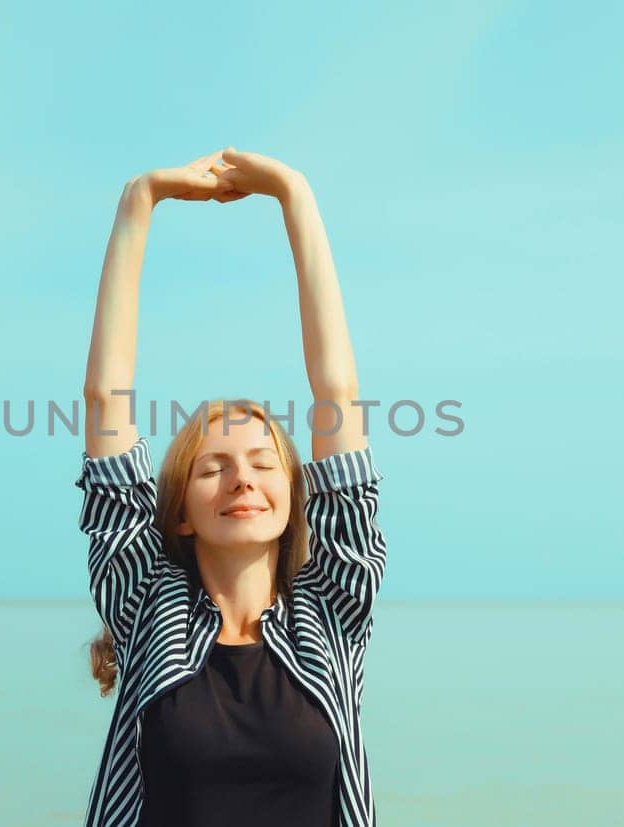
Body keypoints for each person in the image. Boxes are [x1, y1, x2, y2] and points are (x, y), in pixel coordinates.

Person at [75, 147, 387, 827]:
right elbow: (105, 398)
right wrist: (140, 199)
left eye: (263, 462)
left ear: (295, 496)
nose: (243, 475)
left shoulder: (335, 606)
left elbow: (338, 390)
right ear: (181, 512)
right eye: (213, 466)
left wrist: (295, 196)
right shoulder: (144, 602)